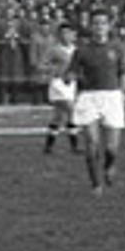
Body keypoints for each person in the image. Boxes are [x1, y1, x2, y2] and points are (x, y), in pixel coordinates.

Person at [69, 11, 125, 194]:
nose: (99, 26)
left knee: (112, 147)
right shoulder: (82, 50)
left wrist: (122, 93)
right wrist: (69, 77)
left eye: (103, 23)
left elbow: (123, 72)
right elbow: (71, 72)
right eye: (96, 23)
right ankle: (96, 184)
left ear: (108, 26)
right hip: (89, 97)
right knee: (92, 142)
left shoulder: (117, 48)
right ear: (91, 26)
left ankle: (109, 165)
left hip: (112, 96)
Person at [42, 22, 80, 156]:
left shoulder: (76, 50)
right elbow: (43, 65)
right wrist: (54, 70)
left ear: (73, 35)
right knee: (71, 109)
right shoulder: (54, 50)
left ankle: (49, 146)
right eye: (63, 33)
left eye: (68, 33)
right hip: (58, 83)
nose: (66, 36)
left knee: (58, 117)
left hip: (71, 84)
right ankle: (75, 146)